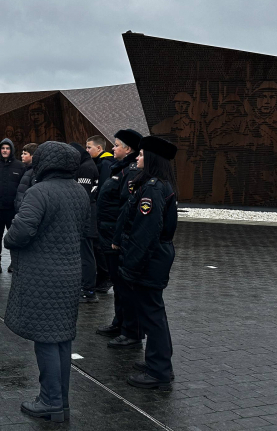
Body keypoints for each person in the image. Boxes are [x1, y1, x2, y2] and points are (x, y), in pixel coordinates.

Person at [4, 142, 90, 422]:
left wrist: (8, 239)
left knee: (45, 340)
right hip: (69, 273)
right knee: (62, 339)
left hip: (43, 275)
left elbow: (21, 231)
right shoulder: (79, 192)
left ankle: (50, 401)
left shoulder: (39, 191)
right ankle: (60, 400)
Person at [117, 136, 178, 390]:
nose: (137, 157)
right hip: (155, 257)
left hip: (150, 260)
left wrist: (131, 267)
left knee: (152, 315)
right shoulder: (157, 184)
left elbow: (146, 233)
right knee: (153, 312)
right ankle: (157, 362)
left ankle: (160, 372)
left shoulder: (152, 188)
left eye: (141, 154)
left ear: (151, 158)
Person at [95, 129, 143, 348]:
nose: (112, 148)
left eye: (116, 145)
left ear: (128, 149)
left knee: (125, 285)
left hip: (117, 237)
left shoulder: (131, 172)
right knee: (117, 281)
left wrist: (117, 237)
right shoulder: (120, 168)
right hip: (109, 233)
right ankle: (119, 322)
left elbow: (126, 208)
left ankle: (131, 331)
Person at [0, 139, 24, 272]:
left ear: (12, 150)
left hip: (12, 209)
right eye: (2, 148)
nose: (5, 150)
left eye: (7, 148)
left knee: (13, 236)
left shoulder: (20, 166)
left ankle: (14, 262)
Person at [70, 143, 99, 303]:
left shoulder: (86, 167)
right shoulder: (86, 165)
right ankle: (86, 287)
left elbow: (83, 196)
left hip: (86, 216)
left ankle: (88, 290)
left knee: (86, 253)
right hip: (87, 215)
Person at [86, 135, 114, 292]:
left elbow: (102, 188)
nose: (87, 150)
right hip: (100, 209)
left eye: (89, 147)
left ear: (99, 148)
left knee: (98, 244)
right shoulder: (100, 163)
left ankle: (105, 277)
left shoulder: (105, 164)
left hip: (101, 210)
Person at [11, 143, 38, 273]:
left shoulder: (34, 172)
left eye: (25, 153)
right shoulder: (27, 170)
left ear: (33, 156)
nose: (22, 156)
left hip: (25, 213)